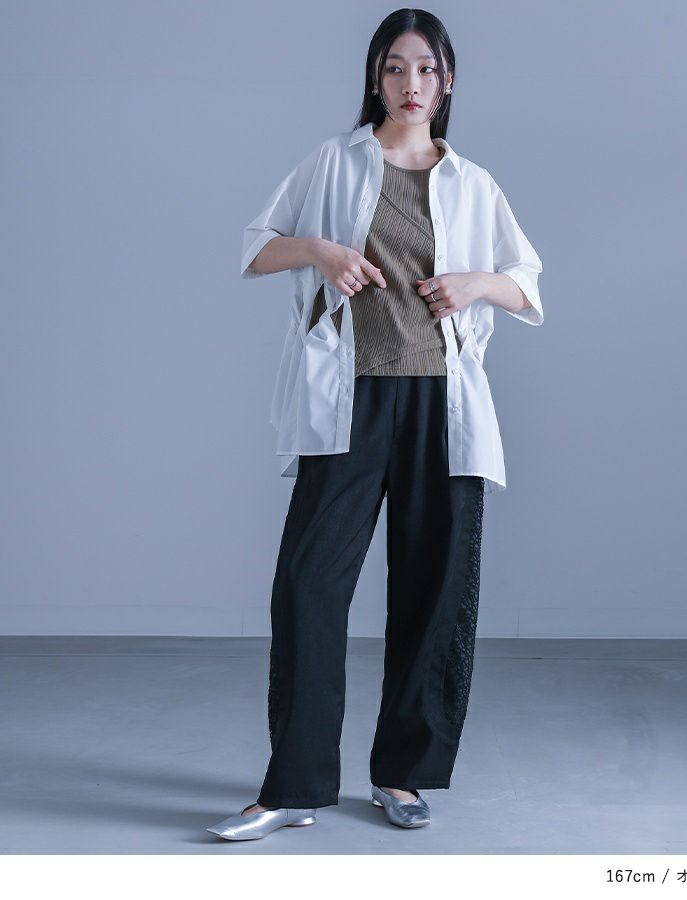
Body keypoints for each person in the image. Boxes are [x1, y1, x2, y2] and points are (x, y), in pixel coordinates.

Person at [207, 7, 543, 842]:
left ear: (448, 81)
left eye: (426, 69)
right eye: (396, 68)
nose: (411, 84)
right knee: (308, 585)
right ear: (375, 77)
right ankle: (294, 787)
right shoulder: (335, 161)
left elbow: (526, 284)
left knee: (435, 590)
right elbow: (256, 246)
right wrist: (321, 252)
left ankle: (401, 774)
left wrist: (474, 284)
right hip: (348, 398)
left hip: (442, 404)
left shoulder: (473, 183)